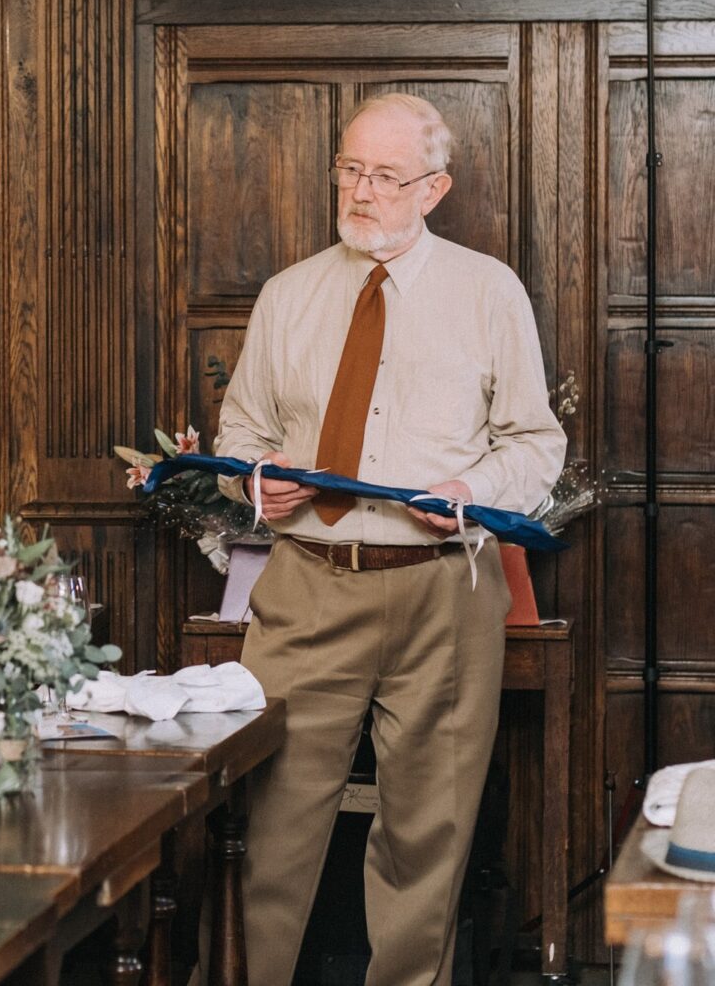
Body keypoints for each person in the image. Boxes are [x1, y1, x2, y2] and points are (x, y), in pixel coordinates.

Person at [210, 93, 566, 986]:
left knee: (428, 836)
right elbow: (235, 441)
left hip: (444, 589)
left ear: (434, 187)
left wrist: (471, 491)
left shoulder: (489, 292)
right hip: (306, 588)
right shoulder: (288, 295)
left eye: (386, 176)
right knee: (273, 832)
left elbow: (535, 442)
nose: (361, 192)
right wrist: (256, 481)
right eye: (350, 170)